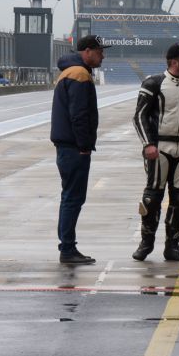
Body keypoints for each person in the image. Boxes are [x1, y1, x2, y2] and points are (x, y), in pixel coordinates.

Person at [131, 43, 179, 263]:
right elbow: (139, 116)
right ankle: (146, 243)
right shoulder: (154, 83)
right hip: (159, 147)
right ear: (174, 62)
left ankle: (172, 246)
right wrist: (148, 144)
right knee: (152, 197)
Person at [50, 34, 111, 265]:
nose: (102, 55)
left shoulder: (71, 71)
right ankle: (67, 248)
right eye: (99, 50)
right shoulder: (79, 74)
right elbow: (79, 115)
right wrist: (84, 145)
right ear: (87, 51)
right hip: (74, 148)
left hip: (66, 146)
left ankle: (67, 246)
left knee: (69, 197)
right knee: (73, 199)